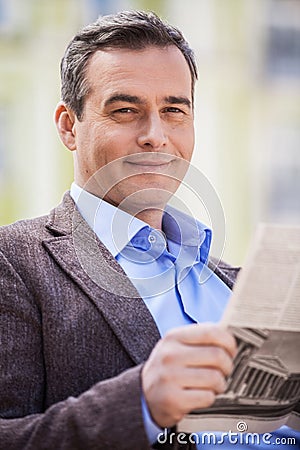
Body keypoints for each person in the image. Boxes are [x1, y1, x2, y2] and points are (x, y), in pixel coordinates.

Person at [0, 10, 298, 450]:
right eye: (125, 110)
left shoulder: (239, 285)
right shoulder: (16, 261)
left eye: (174, 110)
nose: (155, 135)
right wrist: (140, 402)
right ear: (69, 126)